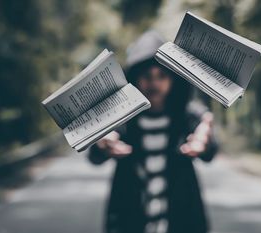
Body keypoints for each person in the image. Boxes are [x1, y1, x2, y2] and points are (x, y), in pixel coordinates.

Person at [88, 30, 218, 233]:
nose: (154, 83)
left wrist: (206, 141)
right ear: (135, 78)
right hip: (129, 218)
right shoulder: (122, 117)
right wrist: (102, 144)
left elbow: (209, 149)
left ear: (173, 80)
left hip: (181, 218)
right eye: (147, 76)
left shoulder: (188, 115)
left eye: (162, 76)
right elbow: (95, 156)